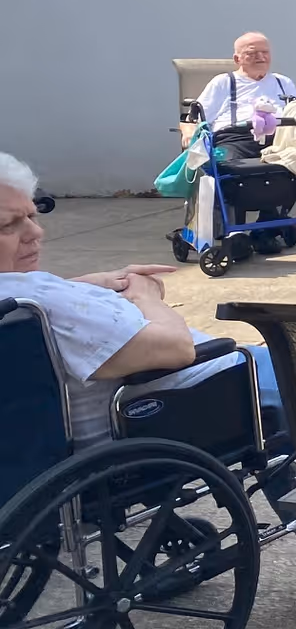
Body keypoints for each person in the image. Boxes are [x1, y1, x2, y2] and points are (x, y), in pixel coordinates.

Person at [0, 152, 277, 450]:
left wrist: (89, 284)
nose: (35, 232)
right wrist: (145, 296)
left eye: (32, 216)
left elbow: (35, 303)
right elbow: (176, 349)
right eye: (7, 225)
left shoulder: (22, 300)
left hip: (44, 449)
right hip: (195, 399)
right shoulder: (44, 300)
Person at [193, 31, 296, 235]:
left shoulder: (283, 82)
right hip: (234, 137)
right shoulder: (223, 82)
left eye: (265, 52)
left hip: (278, 137)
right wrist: (187, 134)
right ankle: (234, 231)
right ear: (237, 59)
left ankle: (268, 224)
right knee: (227, 167)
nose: (261, 57)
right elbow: (196, 117)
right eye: (253, 53)